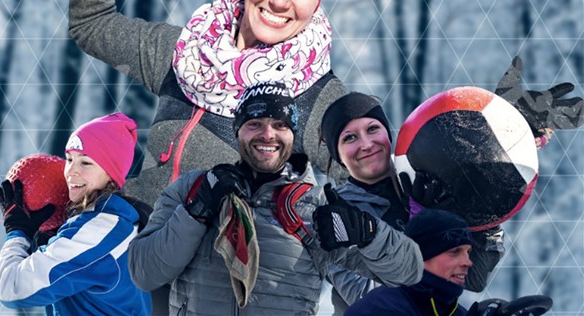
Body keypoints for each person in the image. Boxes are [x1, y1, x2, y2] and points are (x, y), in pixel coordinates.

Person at [127, 82, 423, 315]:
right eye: (255, 123)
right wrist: (196, 211)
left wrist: (370, 233)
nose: (268, 134)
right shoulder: (191, 189)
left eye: (280, 125)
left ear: (292, 135)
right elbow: (145, 273)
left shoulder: (317, 208)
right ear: (237, 130)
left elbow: (409, 271)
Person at [68, 0, 349, 210]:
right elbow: (93, 26)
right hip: (134, 254)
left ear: (316, 2)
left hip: (213, 271)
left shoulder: (316, 94)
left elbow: (372, 187)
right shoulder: (186, 52)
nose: (279, 0)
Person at [319, 92, 505, 314]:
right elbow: (368, 299)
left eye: (372, 129)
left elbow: (474, 278)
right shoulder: (336, 216)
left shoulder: (429, 182)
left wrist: (485, 209)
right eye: (349, 138)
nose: (366, 144)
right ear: (338, 155)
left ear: (388, 134)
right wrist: (426, 233)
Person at [0, 113, 152, 315]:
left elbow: (12, 289)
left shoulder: (100, 230)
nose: (70, 171)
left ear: (111, 172)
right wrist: (48, 237)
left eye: (85, 163)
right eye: (69, 159)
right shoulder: (111, 221)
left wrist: (17, 232)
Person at [344, 208, 474, 316]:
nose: (468, 262)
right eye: (454, 251)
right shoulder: (379, 309)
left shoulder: (449, 309)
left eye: (468, 252)